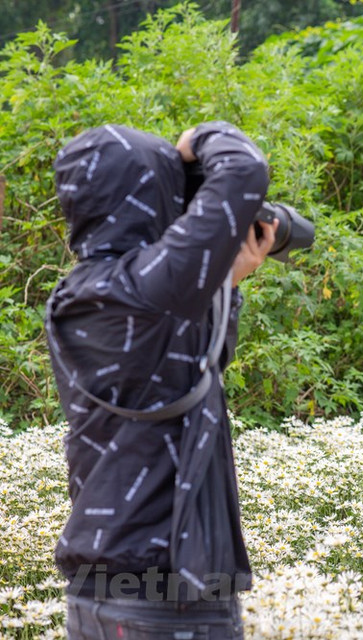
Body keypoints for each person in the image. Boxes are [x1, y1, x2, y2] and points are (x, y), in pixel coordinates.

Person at [45, 122, 278, 638]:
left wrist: (227, 279)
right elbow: (245, 170)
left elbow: (194, 373)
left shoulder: (98, 293)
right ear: (150, 196)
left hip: (130, 585)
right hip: (159, 594)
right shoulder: (132, 291)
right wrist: (202, 139)